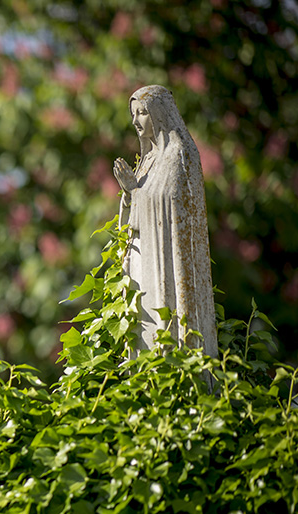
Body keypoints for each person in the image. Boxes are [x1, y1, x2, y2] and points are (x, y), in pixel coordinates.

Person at [112, 85, 218, 357]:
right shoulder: (147, 159)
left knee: (164, 337)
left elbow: (172, 208)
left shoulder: (178, 155)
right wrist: (128, 194)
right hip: (143, 260)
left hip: (165, 265)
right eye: (133, 114)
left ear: (159, 114)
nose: (135, 121)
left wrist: (134, 192)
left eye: (142, 113)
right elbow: (135, 210)